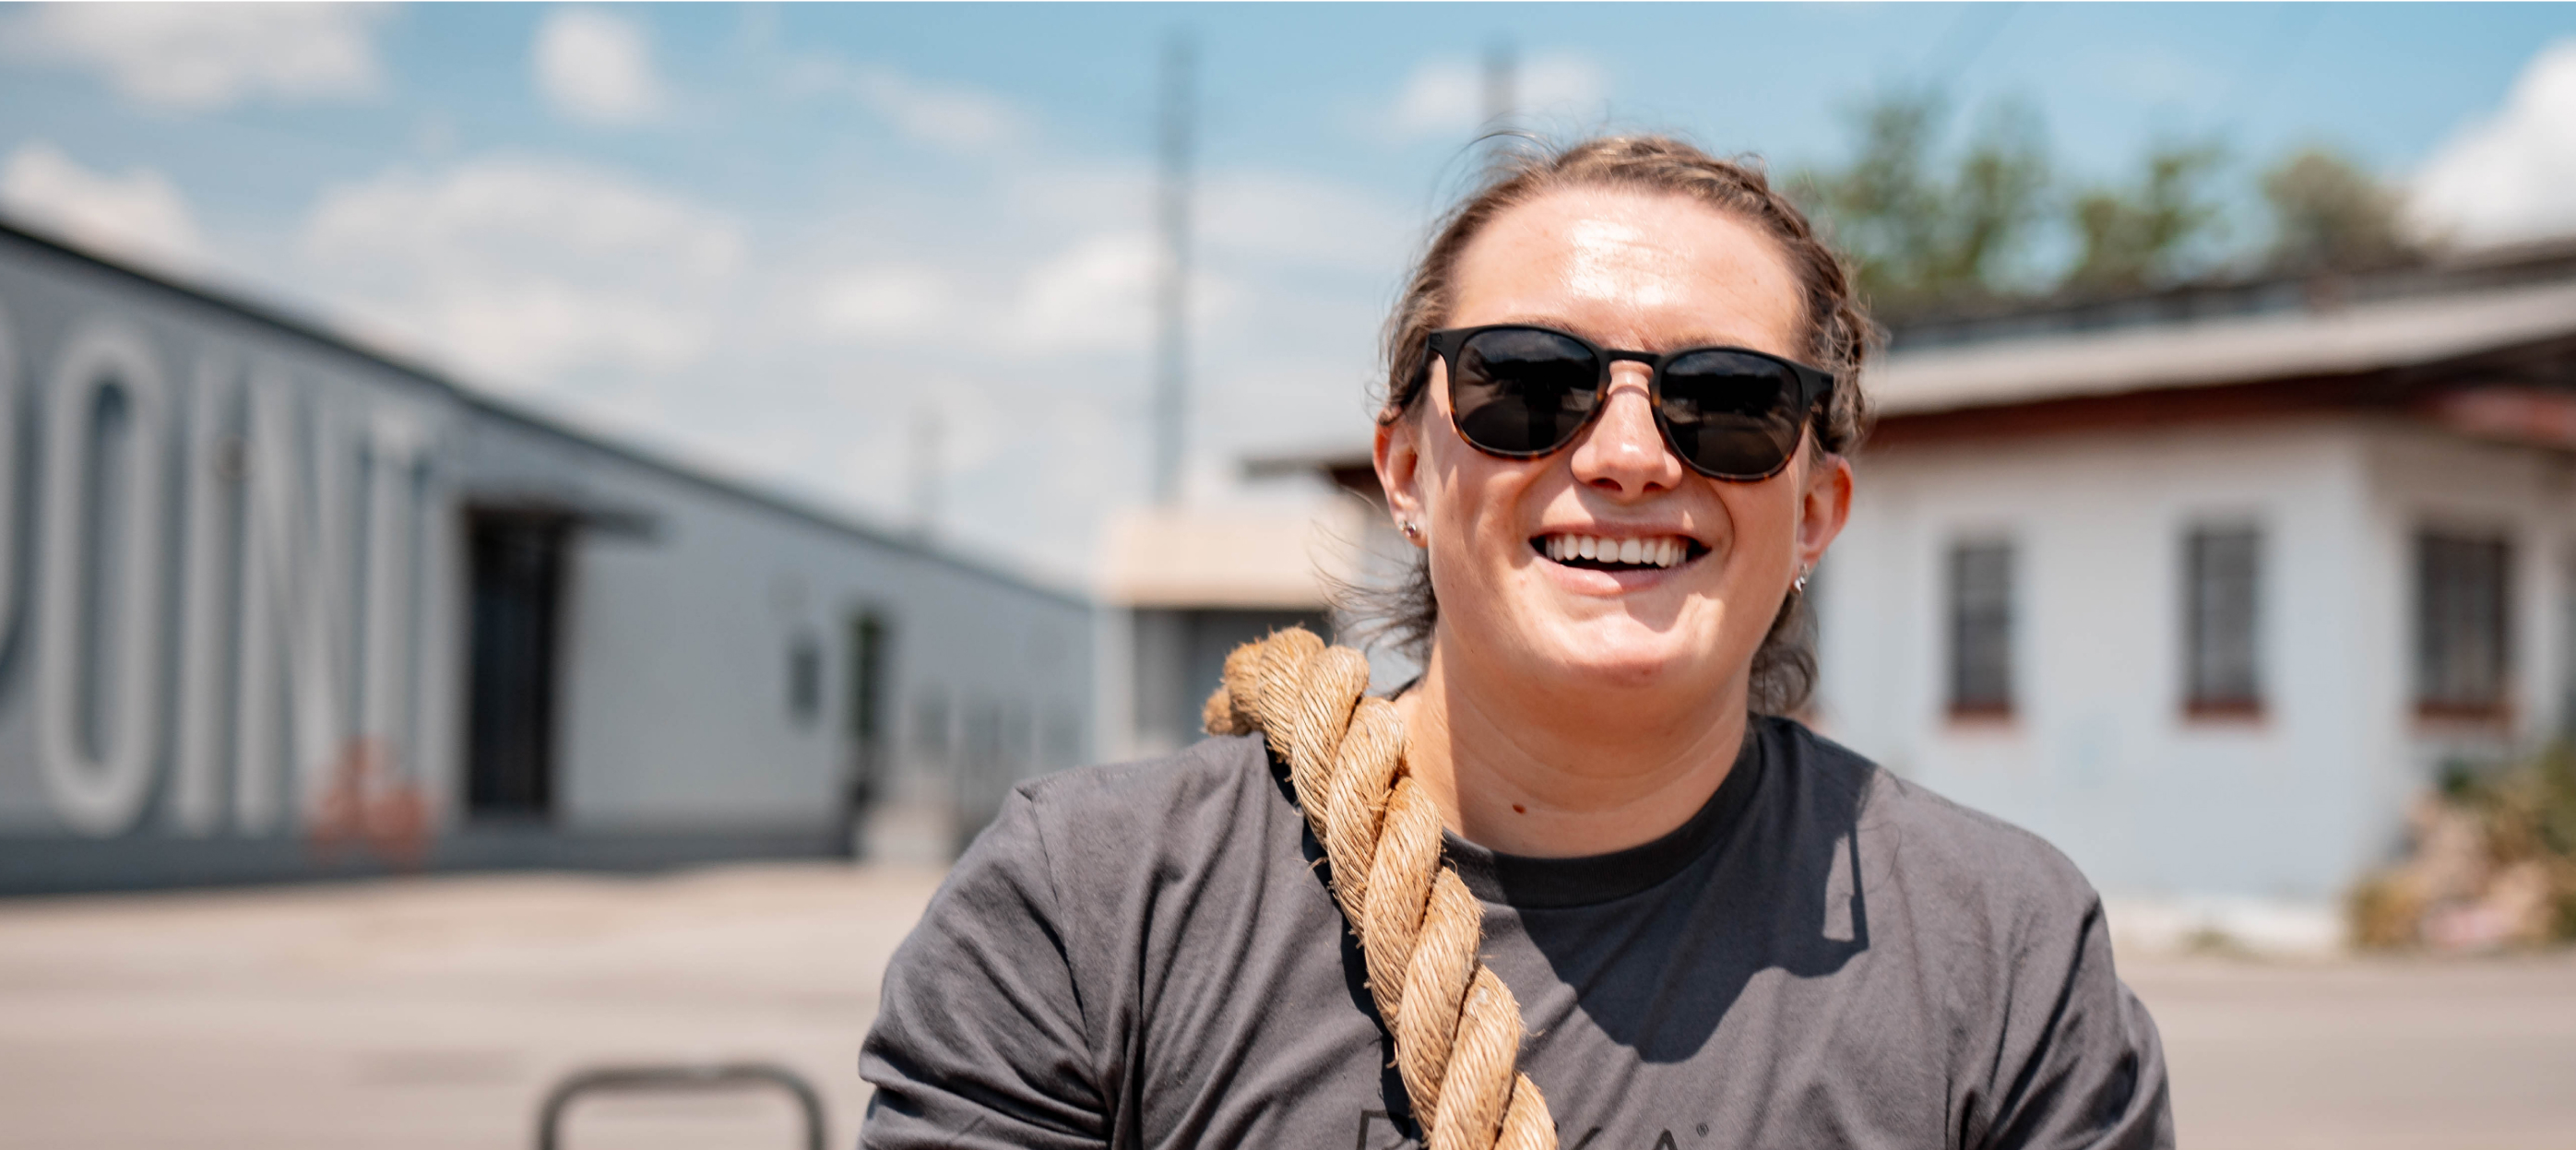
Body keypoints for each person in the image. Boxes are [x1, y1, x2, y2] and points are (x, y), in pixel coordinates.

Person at [858, 136, 2171, 1150]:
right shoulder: (1089, 912)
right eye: (1528, 384)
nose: (1627, 456)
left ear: (1817, 511)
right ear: (1405, 471)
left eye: (1729, 401)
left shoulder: (2004, 952)